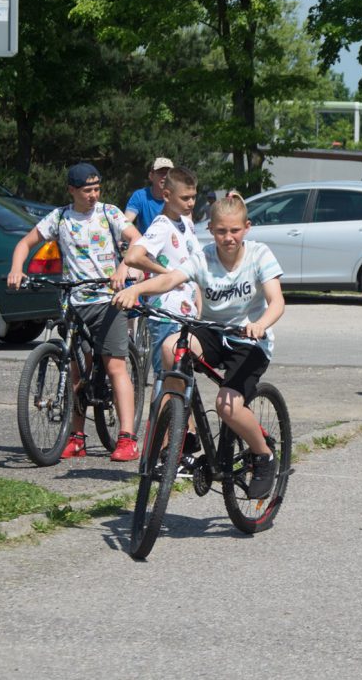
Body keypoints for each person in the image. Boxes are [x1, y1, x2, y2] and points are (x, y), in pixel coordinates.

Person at [111, 193, 286, 499]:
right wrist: (137, 289)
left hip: (249, 339)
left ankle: (263, 456)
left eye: (234, 231)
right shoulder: (204, 257)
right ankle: (182, 421)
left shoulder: (259, 254)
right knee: (170, 347)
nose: (228, 238)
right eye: (221, 231)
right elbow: (170, 280)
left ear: (247, 228)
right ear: (212, 230)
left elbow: (277, 300)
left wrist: (261, 324)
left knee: (227, 405)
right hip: (212, 333)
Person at [7, 162, 143, 462]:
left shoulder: (110, 213)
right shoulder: (60, 218)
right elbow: (25, 243)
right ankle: (76, 436)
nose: (93, 195)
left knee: (115, 367)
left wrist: (123, 268)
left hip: (110, 300)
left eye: (97, 189)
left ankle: (127, 438)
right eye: (86, 190)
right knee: (76, 371)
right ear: (71, 190)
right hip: (75, 303)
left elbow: (137, 240)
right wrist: (17, 269)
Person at [123, 166, 204, 379]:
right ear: (167, 196)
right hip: (165, 313)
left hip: (185, 312)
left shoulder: (186, 222)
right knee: (166, 379)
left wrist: (197, 293)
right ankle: (156, 414)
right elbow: (133, 257)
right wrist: (167, 273)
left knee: (184, 380)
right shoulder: (162, 225)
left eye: (194, 197)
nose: (191, 203)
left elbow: (191, 261)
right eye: (185, 198)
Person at [124, 157, 173, 231]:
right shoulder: (139, 196)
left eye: (168, 173)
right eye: (161, 172)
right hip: (145, 241)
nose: (165, 176)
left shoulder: (178, 197)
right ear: (151, 176)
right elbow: (126, 224)